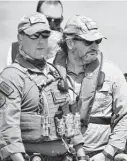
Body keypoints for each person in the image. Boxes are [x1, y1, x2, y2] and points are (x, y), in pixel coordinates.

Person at [0, 13, 86, 161]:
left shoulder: (55, 72)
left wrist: (81, 153)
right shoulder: (12, 76)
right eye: (35, 36)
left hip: (64, 155)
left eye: (45, 35)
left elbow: (68, 116)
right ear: (20, 37)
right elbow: (8, 127)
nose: (41, 41)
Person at [54, 15, 127, 161]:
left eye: (97, 41)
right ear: (70, 43)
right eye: (88, 42)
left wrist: (108, 153)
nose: (95, 46)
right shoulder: (49, 72)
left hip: (100, 155)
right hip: (58, 156)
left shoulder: (112, 73)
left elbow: (125, 115)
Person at [6, 0, 63, 65]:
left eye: (57, 21)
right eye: (48, 20)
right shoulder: (14, 50)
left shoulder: (69, 50)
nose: (52, 25)